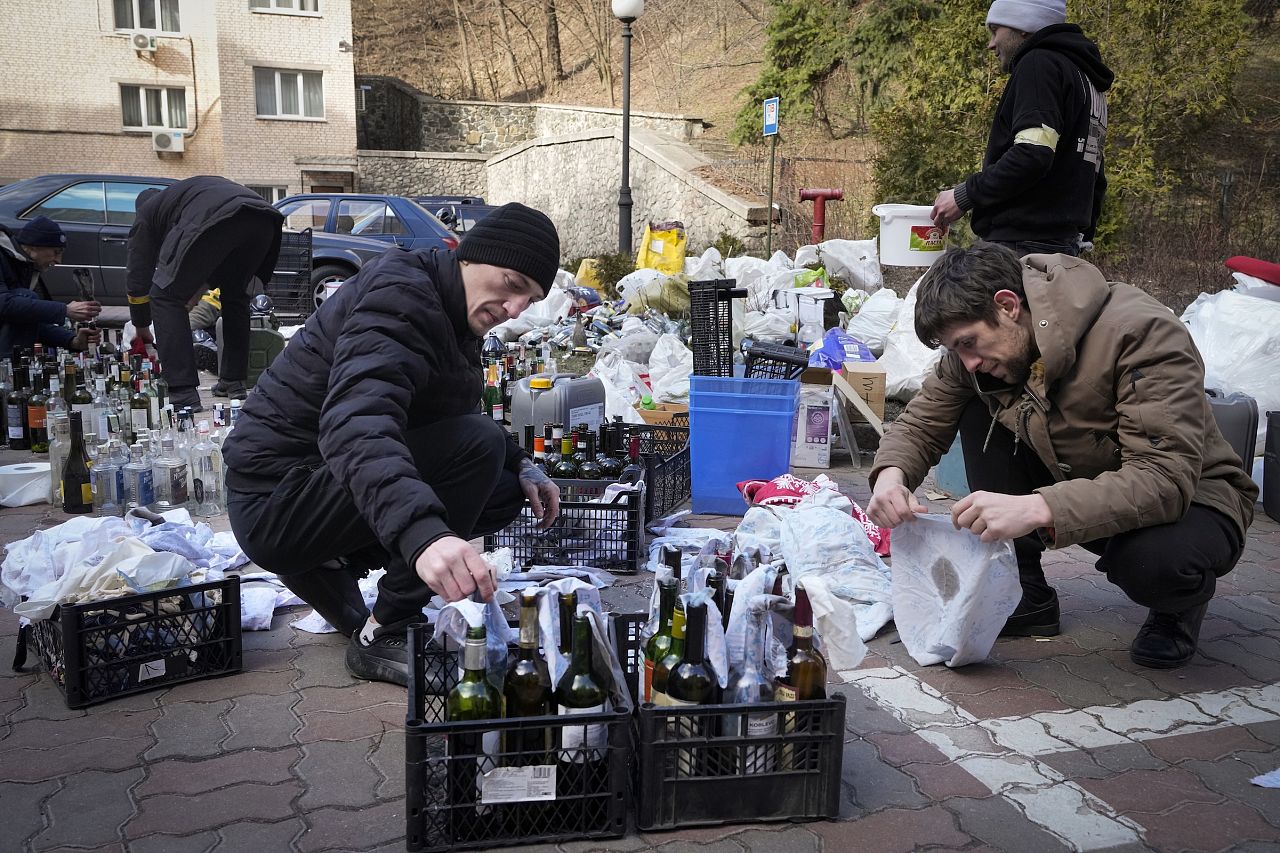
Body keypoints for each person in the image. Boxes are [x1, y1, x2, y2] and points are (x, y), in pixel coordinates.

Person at [867, 245, 1257, 669]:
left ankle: (1177, 607)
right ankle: (1027, 595)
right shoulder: (979, 352)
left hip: (1192, 498)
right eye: (955, 350)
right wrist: (892, 476)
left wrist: (1039, 507)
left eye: (968, 343)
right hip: (1082, 479)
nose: (968, 361)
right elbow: (922, 421)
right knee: (977, 401)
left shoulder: (1140, 332)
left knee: (1154, 562)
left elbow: (1162, 478)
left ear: (1008, 304)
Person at [223, 203, 563, 687]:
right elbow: (356, 421)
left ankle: (330, 562)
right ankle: (387, 629)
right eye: (511, 284)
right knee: (478, 449)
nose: (513, 309)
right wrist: (425, 536)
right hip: (275, 499)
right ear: (470, 256)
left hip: (318, 487)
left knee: (505, 487)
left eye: (527, 300)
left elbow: (453, 412)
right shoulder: (402, 294)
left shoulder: (451, 310)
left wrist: (523, 463)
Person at [930, 0, 1113, 257]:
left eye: (996, 30)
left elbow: (1032, 154)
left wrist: (964, 196)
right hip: (1062, 247)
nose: (991, 44)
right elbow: (1095, 171)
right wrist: (1081, 236)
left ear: (1024, 26)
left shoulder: (1039, 64)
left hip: (1020, 248)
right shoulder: (1087, 80)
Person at [126, 177, 284, 410]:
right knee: (235, 297)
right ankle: (233, 382)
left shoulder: (148, 214)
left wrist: (141, 325)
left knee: (165, 297)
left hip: (222, 217)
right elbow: (213, 259)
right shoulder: (188, 196)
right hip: (264, 220)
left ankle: (183, 394)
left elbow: (138, 274)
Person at [0, 216, 101, 353]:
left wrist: (71, 340)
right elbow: (4, 304)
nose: (58, 260)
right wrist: (65, 310)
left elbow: (31, 319)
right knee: (25, 297)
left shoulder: (27, 267)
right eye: (56, 252)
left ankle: (16, 369)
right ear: (34, 246)